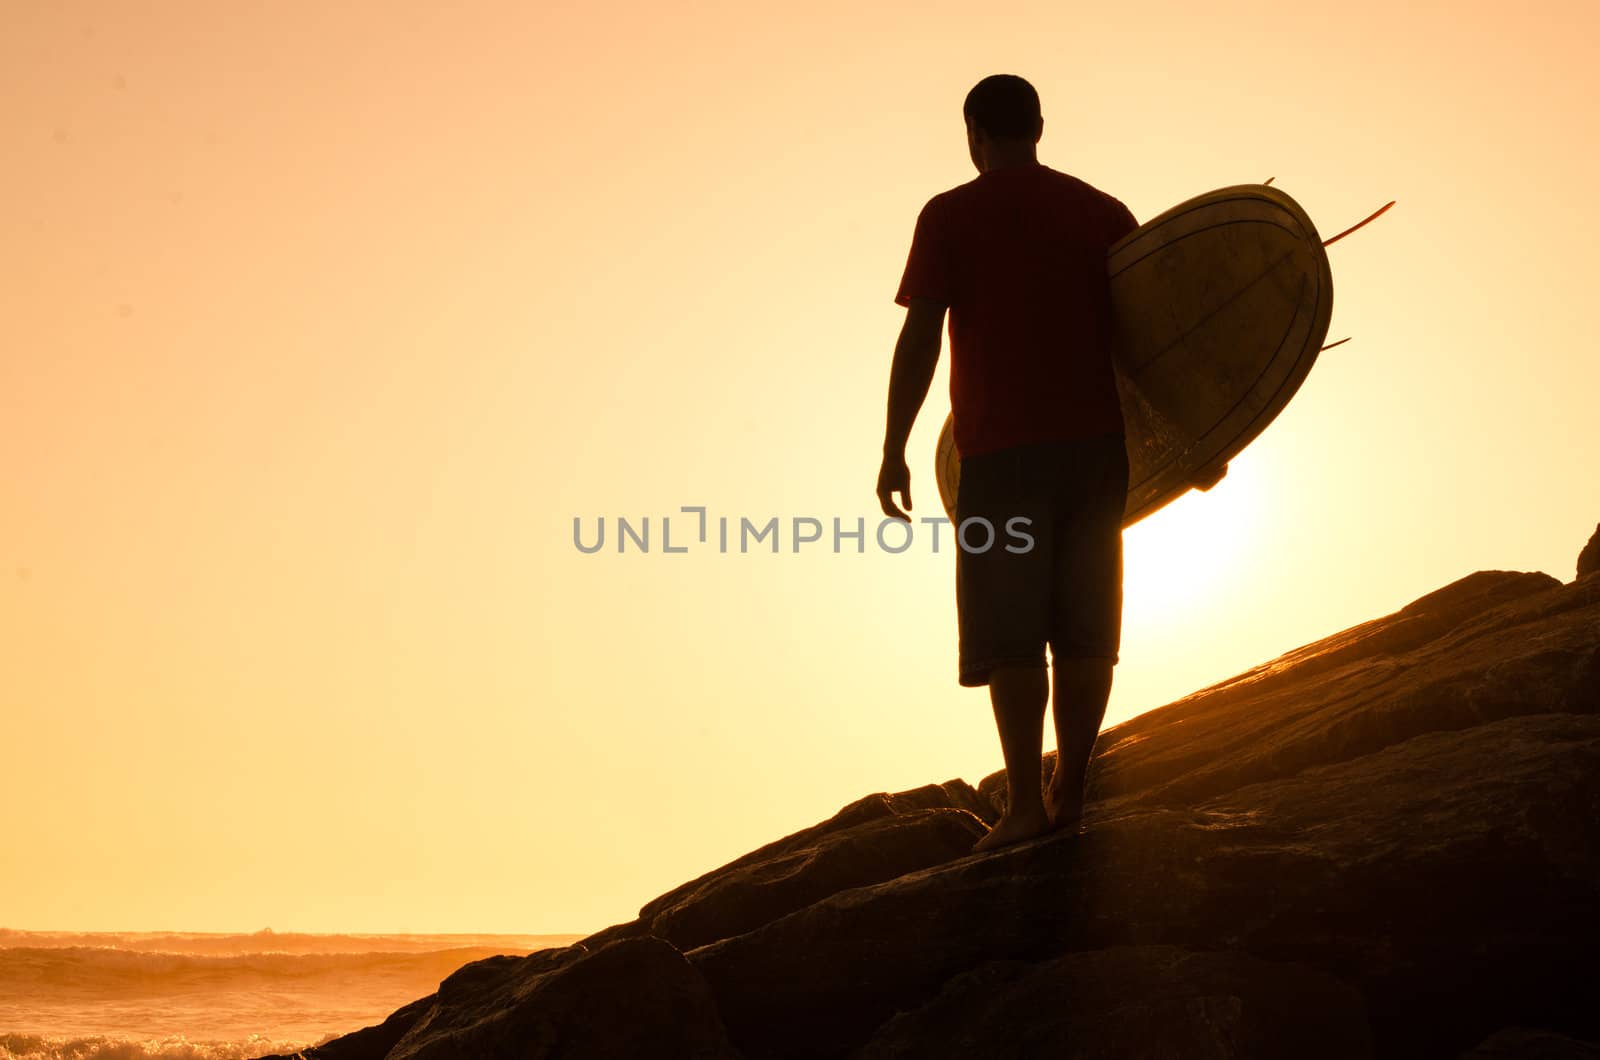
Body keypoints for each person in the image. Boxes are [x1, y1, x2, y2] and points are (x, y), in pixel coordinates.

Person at [875, 74, 1138, 854]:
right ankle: (1074, 789)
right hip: (1097, 452)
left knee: (1013, 634)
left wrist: (893, 447)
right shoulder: (1101, 211)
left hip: (999, 457)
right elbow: (1154, 333)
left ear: (973, 134)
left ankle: (1026, 803)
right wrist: (1202, 442)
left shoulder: (950, 216)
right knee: (1088, 629)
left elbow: (920, 338)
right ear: (1041, 126)